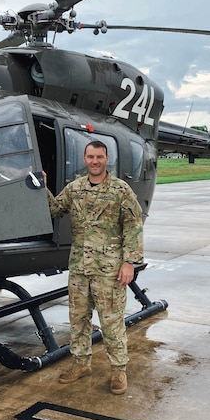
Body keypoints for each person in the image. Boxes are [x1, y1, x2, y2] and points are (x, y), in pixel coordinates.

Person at [44, 140, 144, 394]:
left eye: (99, 157)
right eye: (90, 157)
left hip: (109, 270)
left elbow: (133, 226)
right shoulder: (75, 188)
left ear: (106, 158)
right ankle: (81, 363)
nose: (95, 161)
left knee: (111, 322)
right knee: (78, 320)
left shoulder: (120, 190)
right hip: (79, 268)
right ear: (85, 159)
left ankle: (118, 370)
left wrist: (129, 262)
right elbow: (55, 209)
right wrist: (42, 188)